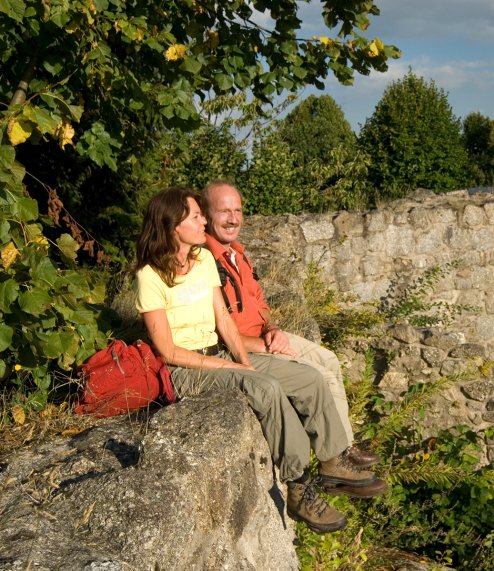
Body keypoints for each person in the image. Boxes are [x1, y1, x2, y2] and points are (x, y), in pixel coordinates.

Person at [134, 187, 386, 534]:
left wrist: (243, 360)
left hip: (220, 352)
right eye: (196, 216)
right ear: (172, 225)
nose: (204, 221)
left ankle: (332, 461)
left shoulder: (202, 260)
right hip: (185, 369)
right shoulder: (149, 276)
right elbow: (168, 351)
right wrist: (234, 368)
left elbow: (224, 321)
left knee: (309, 378)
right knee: (266, 389)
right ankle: (299, 486)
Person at [201, 181, 379, 470]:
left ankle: (345, 446)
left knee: (330, 360)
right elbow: (217, 330)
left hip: (264, 336)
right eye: (224, 211)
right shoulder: (205, 262)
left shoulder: (238, 254)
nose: (233, 219)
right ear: (206, 215)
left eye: (238, 210)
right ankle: (335, 459)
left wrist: (272, 329)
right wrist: (266, 346)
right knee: (321, 376)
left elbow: (259, 303)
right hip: (243, 347)